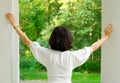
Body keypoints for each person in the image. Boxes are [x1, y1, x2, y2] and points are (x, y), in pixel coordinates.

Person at [6, 12, 112, 83]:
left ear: (52, 39)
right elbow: (93, 47)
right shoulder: (72, 57)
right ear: (69, 40)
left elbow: (27, 41)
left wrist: (15, 24)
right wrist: (106, 36)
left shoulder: (47, 55)